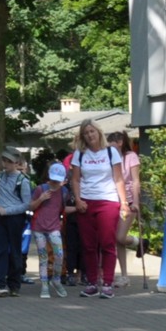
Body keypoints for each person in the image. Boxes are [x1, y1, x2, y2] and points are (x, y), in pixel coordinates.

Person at [67, 121, 126, 300]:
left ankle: (107, 283)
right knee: (88, 245)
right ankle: (92, 283)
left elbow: (119, 179)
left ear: (98, 132)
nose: (90, 135)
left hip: (108, 200)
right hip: (86, 202)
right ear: (82, 136)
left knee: (107, 243)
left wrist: (124, 202)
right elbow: (75, 180)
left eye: (92, 131)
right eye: (86, 133)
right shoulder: (79, 154)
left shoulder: (111, 152)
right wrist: (78, 200)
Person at [0, 148, 34, 297]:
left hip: (15, 219)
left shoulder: (22, 181)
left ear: (17, 163)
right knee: (0, 250)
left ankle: (14, 285)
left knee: (15, 251)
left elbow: (26, 204)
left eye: (9, 161)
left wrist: (7, 211)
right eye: (4, 161)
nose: (6, 164)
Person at [29, 162, 68, 298]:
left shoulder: (64, 191)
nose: (55, 182)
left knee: (59, 255)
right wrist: (41, 199)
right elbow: (31, 206)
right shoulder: (41, 189)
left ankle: (56, 280)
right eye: (53, 179)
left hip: (54, 227)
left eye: (58, 180)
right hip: (39, 227)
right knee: (43, 257)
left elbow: (63, 208)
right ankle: (44, 284)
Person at [110, 130, 142, 288]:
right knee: (117, 240)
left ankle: (138, 242)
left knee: (120, 237)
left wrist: (135, 202)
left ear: (120, 143)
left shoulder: (131, 157)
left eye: (112, 145)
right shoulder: (110, 158)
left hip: (128, 202)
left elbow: (136, 181)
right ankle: (124, 276)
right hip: (113, 200)